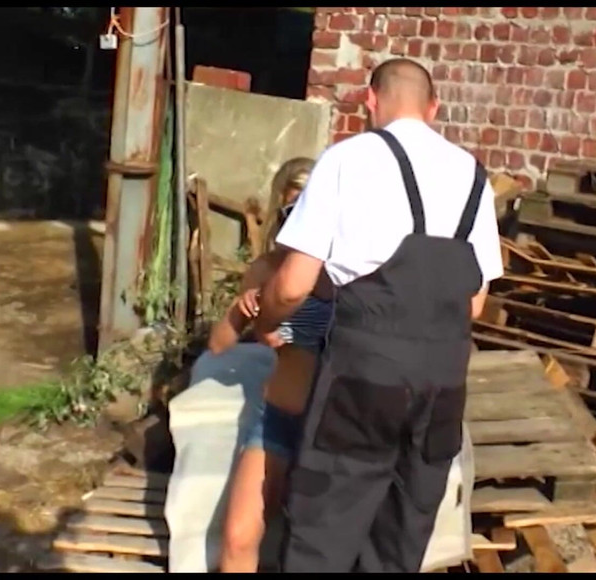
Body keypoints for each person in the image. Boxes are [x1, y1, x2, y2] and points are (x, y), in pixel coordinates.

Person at [248, 58, 505, 572]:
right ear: (433, 108)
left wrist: (265, 320)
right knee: (399, 544)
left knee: (322, 537)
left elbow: (294, 283)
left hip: (363, 379)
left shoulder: (348, 159)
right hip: (442, 387)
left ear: (370, 100)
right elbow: (474, 302)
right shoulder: (473, 175)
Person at [206, 157, 335, 573]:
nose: (302, 220)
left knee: (316, 550)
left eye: (310, 209)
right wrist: (242, 313)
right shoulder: (268, 270)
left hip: (333, 424)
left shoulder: (346, 270)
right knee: (238, 538)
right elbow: (218, 345)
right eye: (292, 210)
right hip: (278, 415)